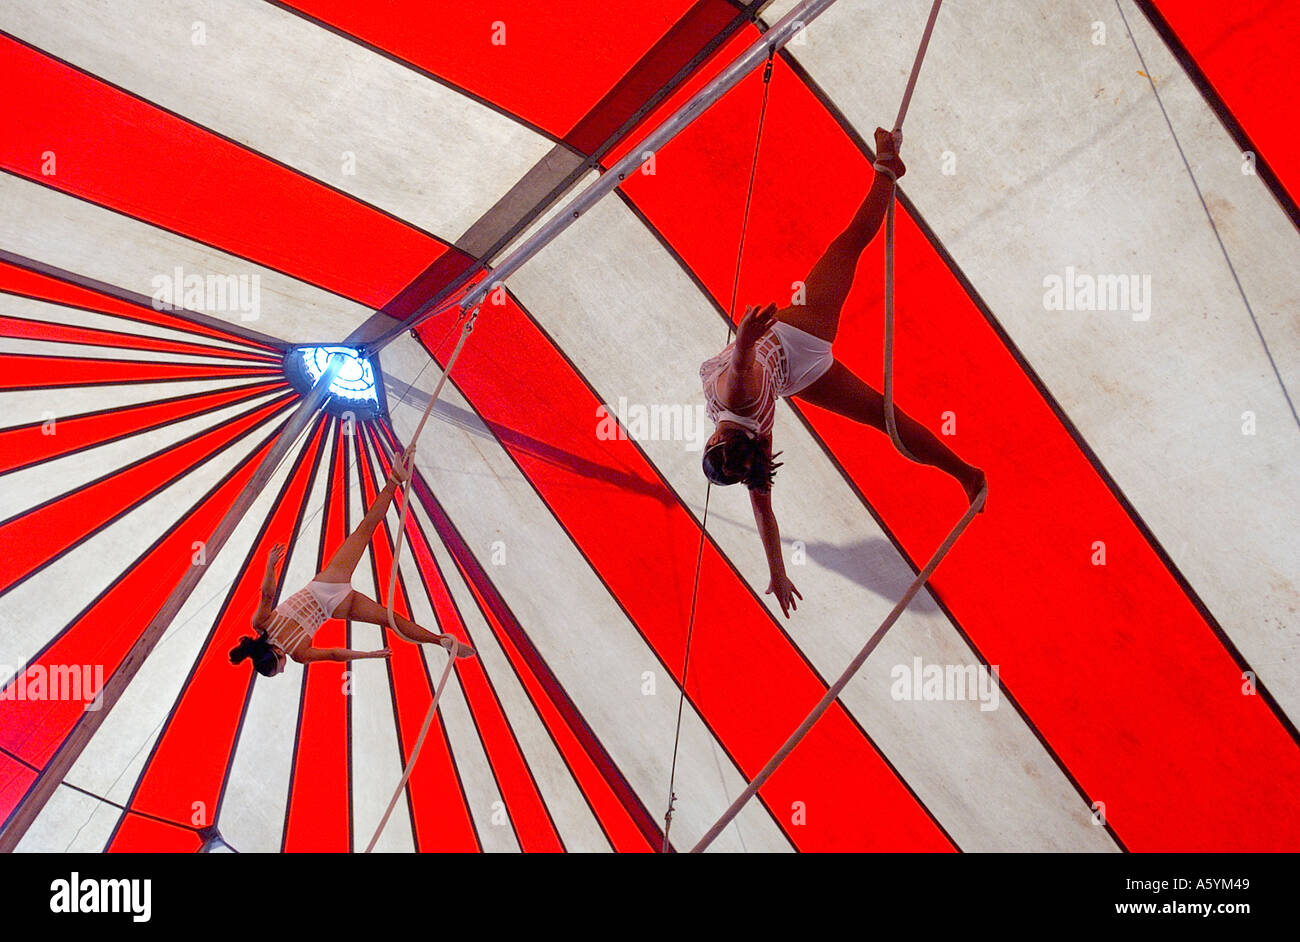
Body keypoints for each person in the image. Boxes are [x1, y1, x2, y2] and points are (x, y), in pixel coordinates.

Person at [700, 128, 986, 618]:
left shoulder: (756, 445)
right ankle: (885, 168)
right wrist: (746, 334)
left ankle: (968, 475)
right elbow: (743, 365)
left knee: (883, 417)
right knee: (847, 245)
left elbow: (764, 510)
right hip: (797, 335)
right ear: (714, 442)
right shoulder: (737, 403)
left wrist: (776, 571)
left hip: (796, 378)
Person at [230, 449, 475, 676]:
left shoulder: (298, 654)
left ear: (275, 656)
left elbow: (336, 654)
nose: (284, 670)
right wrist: (271, 565)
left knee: (392, 621)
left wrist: (367, 656)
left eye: (278, 669)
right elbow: (266, 594)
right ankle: (394, 480)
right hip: (324, 586)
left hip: (335, 606)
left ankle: (439, 640)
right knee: (364, 531)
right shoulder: (262, 624)